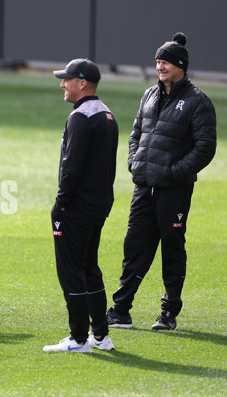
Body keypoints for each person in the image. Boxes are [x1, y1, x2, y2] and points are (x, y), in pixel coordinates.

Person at [106, 32, 216, 331]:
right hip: (144, 186)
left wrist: (173, 172)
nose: (160, 66)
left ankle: (168, 313)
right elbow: (136, 133)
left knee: (171, 246)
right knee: (134, 246)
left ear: (181, 65)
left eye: (165, 61)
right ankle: (120, 310)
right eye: (157, 61)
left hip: (174, 190)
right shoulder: (149, 95)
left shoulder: (198, 102)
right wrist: (134, 162)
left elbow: (205, 147)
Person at [43, 59, 118, 353]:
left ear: (82, 83)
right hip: (99, 205)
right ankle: (100, 335)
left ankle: (78, 339)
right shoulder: (107, 115)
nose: (63, 84)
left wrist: (60, 204)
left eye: (67, 79)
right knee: (89, 268)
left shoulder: (80, 117)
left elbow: (72, 168)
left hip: (77, 207)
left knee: (71, 271)